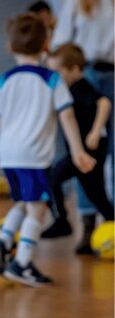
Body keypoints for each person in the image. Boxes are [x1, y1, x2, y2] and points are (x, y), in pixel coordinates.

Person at [0, 13, 95, 287]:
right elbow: (67, 116)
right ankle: (22, 263)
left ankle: (2, 239)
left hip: (8, 154)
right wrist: (78, 151)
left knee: (24, 202)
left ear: (10, 47)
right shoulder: (52, 79)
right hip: (33, 155)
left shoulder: (3, 80)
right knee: (39, 211)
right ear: (46, 45)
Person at [50, 0, 115, 237]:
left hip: (112, 72)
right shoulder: (77, 5)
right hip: (85, 67)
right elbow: (60, 43)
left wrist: (97, 130)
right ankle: (87, 223)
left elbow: (104, 103)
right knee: (83, 168)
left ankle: (110, 224)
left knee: (103, 161)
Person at [42, 43, 113, 251]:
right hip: (82, 153)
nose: (54, 76)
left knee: (53, 177)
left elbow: (105, 103)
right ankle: (94, 232)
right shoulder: (67, 89)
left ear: (74, 70)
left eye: (58, 71)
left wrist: (95, 130)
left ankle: (62, 220)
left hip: (88, 153)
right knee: (96, 196)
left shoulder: (79, 87)